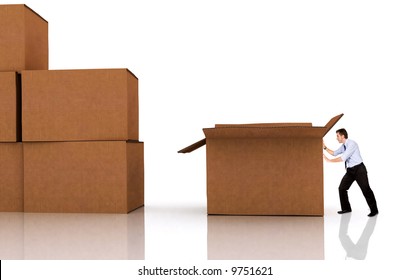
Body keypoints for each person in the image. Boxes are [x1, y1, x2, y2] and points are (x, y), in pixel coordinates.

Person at [323, 128, 378, 217]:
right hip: (350, 171)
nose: (336, 138)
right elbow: (334, 153)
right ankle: (346, 208)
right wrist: (324, 147)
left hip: (359, 169)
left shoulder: (352, 144)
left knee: (366, 189)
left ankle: (374, 210)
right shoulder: (343, 145)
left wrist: (329, 160)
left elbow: (343, 158)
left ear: (342, 136)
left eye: (337, 136)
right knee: (342, 188)